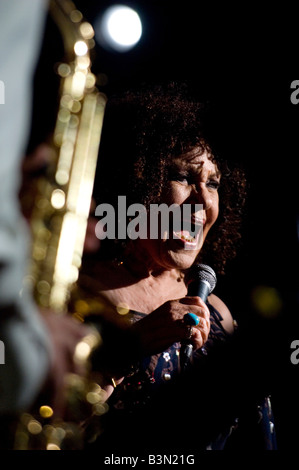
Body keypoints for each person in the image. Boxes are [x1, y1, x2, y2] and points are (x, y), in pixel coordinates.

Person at [76, 81, 277, 452]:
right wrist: (126, 351)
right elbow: (44, 426)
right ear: (135, 183)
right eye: (184, 177)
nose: (202, 200)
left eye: (213, 183)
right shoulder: (77, 294)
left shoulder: (217, 312)